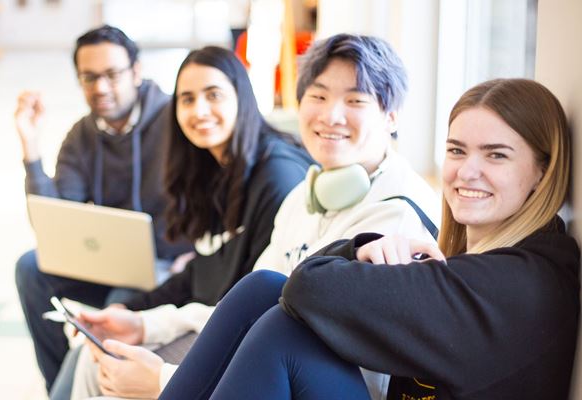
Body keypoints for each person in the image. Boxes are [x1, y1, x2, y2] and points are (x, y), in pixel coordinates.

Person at [157, 78, 580, 400]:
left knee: (282, 332)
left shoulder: (514, 283)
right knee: (264, 289)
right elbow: (296, 286)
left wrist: (357, 248)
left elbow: (308, 286)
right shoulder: (481, 261)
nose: (467, 171)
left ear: (543, 171)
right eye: (456, 151)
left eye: (496, 155)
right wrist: (363, 247)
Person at [79, 33, 440, 400]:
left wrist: (162, 380)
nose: (331, 115)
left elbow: (326, 355)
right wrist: (145, 325)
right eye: (318, 96)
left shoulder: (396, 216)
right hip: (272, 368)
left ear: (391, 117)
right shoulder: (304, 197)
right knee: (102, 359)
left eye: (355, 100)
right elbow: (239, 314)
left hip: (334, 386)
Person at [13, 25, 194, 394]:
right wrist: (31, 149)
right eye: (89, 77)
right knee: (31, 268)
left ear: (136, 72)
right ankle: (58, 386)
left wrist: (199, 251)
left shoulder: (175, 120)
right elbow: (54, 224)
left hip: (169, 264)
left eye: (112, 74)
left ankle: (77, 387)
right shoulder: (82, 135)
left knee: (117, 306)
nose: (100, 88)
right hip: (111, 260)